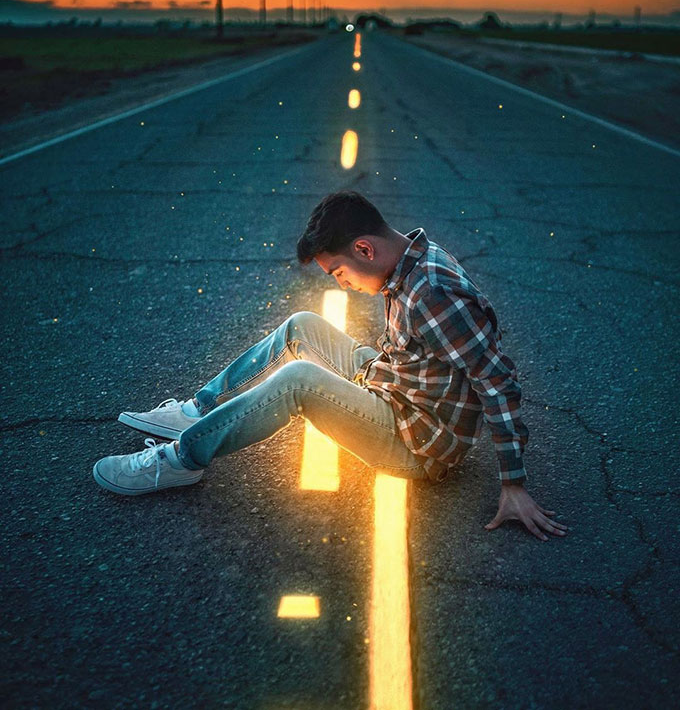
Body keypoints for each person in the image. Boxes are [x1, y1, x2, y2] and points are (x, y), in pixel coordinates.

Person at [93, 190, 567, 541]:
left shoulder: (434, 294)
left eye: (338, 272)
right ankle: (200, 411)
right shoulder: (414, 257)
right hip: (393, 385)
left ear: (365, 249)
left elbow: (497, 383)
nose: (341, 285)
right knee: (302, 324)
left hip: (415, 443)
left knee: (298, 381)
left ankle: (183, 459)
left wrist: (514, 484)